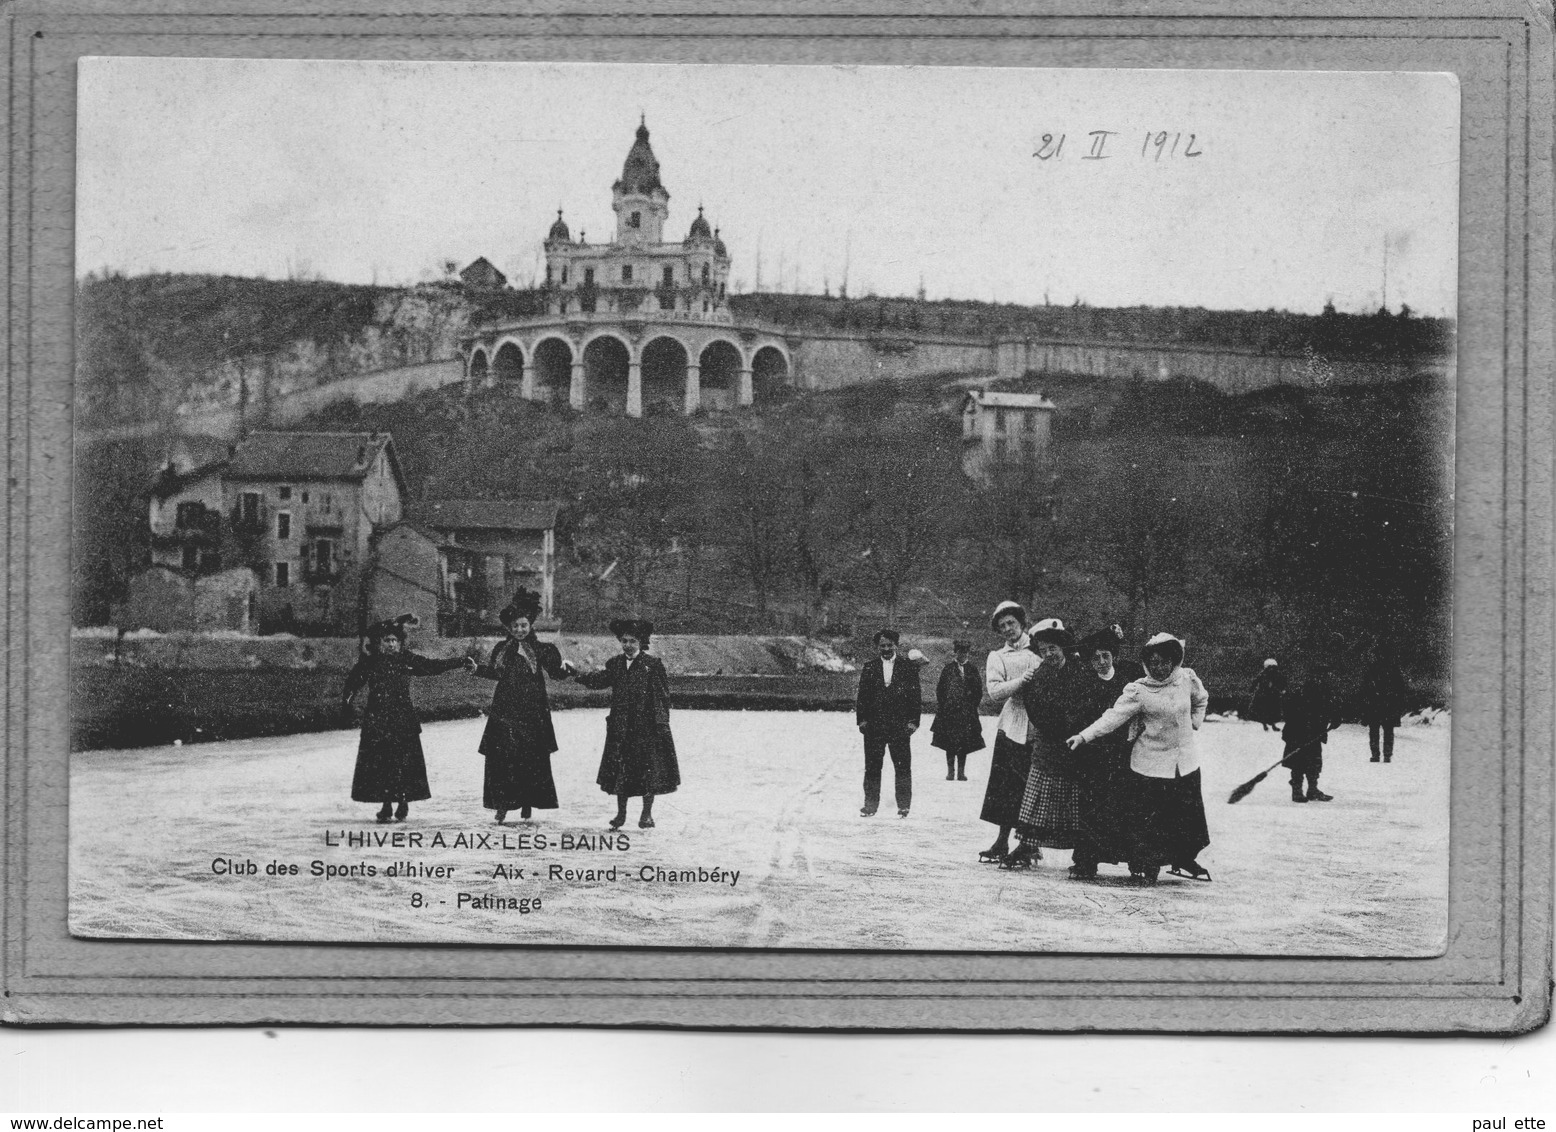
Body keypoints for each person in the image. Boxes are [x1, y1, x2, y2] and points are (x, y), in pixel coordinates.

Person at [1066, 632, 1211, 884]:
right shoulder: (1139, 690)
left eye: (1163, 662)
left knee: (1187, 817)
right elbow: (1112, 717)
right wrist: (1084, 736)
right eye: (1152, 663)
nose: (1158, 668)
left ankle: (1183, 858)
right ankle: (1148, 862)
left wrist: (1195, 722)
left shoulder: (1187, 679)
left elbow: (1201, 700)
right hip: (1150, 763)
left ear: (1173, 660)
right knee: (1152, 821)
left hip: (1185, 762)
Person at [342, 614, 476, 823]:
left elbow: (433, 666)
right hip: (377, 720)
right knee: (382, 764)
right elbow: (351, 686)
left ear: (400, 643)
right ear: (379, 642)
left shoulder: (407, 660)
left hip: (403, 720)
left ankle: (403, 801)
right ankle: (386, 805)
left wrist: (459, 662)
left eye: (395, 640)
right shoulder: (370, 662)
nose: (391, 644)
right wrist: (347, 706)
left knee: (403, 763)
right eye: (386, 640)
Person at [474, 589, 577, 823]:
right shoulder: (502, 649)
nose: (519, 630)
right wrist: (476, 670)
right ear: (509, 628)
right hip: (505, 711)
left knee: (529, 758)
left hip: (532, 712)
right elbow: (495, 673)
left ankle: (528, 802)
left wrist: (567, 669)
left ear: (530, 625)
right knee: (503, 759)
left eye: (523, 625)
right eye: (515, 626)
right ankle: (502, 806)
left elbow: (555, 673)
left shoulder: (542, 650)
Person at [576, 618, 680, 830]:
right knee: (621, 773)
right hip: (621, 729)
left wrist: (661, 725)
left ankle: (646, 815)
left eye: (633, 641)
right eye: (624, 641)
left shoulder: (653, 666)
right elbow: (598, 681)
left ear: (642, 642)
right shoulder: (615, 664)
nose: (628, 645)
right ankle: (621, 815)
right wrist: (575, 674)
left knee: (648, 773)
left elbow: (662, 697)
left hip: (646, 729)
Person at [1001, 618, 1086, 870]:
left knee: (1077, 802)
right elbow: (1034, 708)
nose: (1049, 653)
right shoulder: (1039, 675)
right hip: (1048, 744)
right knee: (1036, 798)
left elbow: (1084, 705)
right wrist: (1052, 727)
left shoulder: (1079, 671)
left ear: (1062, 648)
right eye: (1044, 649)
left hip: (1075, 745)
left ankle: (1083, 855)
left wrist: (1072, 727)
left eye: (1053, 648)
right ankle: (1027, 845)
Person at [1067, 625, 1138, 879]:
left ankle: (1134, 861)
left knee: (1123, 807)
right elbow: (1078, 717)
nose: (1101, 662)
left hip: (1122, 754)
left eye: (1105, 656)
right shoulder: (1085, 681)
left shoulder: (1127, 682)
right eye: (1095, 658)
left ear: (1114, 656)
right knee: (1091, 809)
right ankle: (1086, 861)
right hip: (1093, 755)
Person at [977, 601, 1043, 862]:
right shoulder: (998, 656)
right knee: (1006, 787)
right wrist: (1021, 681)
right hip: (1011, 724)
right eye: (1002, 625)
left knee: (1034, 785)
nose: (1007, 629)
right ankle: (1002, 841)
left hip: (1039, 724)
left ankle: (1030, 843)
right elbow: (994, 692)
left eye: (1011, 623)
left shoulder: (1039, 649)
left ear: (1021, 623)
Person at [854, 628, 922, 818]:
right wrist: (862, 720)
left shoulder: (907, 667)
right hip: (874, 726)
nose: (885, 649)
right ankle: (870, 805)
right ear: (877, 647)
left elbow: (915, 696)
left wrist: (914, 722)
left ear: (896, 646)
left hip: (899, 726)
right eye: (882, 646)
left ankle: (903, 806)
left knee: (902, 767)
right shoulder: (869, 667)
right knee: (873, 767)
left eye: (889, 645)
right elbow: (863, 696)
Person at [1283, 663, 1341, 802]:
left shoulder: (1303, 688)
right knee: (1303, 762)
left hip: (1307, 731)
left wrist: (1335, 719)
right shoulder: (1318, 689)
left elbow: (1330, 707)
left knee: (1309, 761)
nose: (1328, 677)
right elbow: (1328, 706)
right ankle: (1299, 791)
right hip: (1301, 731)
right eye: (1326, 674)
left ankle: (1309, 790)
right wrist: (1334, 718)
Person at [931, 639, 985, 781]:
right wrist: (945, 706)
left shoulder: (972, 669)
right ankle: (950, 772)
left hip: (966, 713)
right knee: (950, 743)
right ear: (955, 652)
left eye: (965, 652)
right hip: (949, 713)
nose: (962, 655)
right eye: (960, 652)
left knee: (963, 743)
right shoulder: (948, 669)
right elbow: (940, 689)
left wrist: (972, 706)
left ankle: (961, 772)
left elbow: (978, 690)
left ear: (968, 653)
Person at [1357, 649, 1411, 763]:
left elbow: (1365, 690)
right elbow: (1400, 689)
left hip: (1375, 705)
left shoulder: (1372, 669)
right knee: (1388, 731)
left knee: (1374, 731)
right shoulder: (1393, 669)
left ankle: (1376, 754)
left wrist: (1365, 705)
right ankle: (1387, 755)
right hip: (1388, 706)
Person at [1246, 658, 1287, 731]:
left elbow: (1255, 681)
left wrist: (1251, 689)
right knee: (1270, 710)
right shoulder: (1274, 674)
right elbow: (1282, 682)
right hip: (1269, 694)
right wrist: (1282, 689)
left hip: (1266, 694)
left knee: (1267, 710)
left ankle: (1268, 724)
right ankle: (1269, 725)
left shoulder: (1265, 674)